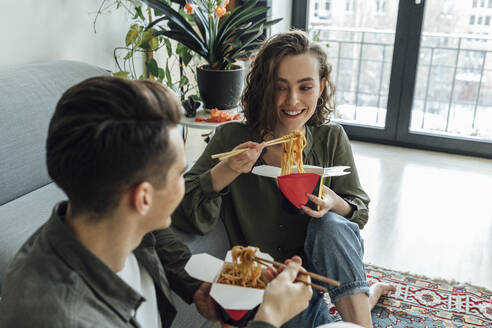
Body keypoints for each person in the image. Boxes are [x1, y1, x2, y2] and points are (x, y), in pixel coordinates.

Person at [0, 76, 314, 328]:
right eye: (181, 172)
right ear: (143, 198)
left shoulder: (103, 224)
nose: (187, 180)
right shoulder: (65, 317)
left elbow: (152, 238)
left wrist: (195, 288)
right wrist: (270, 317)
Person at [172, 30, 396, 328]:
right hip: (260, 289)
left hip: (309, 284)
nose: (293, 101)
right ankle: (363, 300)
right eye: (280, 88)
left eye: (305, 87)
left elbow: (359, 212)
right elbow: (182, 210)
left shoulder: (331, 138)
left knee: (331, 225)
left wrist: (334, 202)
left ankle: (361, 316)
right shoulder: (233, 137)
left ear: (321, 86)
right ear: (265, 88)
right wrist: (227, 170)